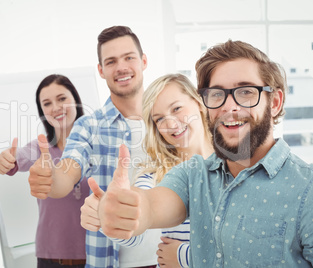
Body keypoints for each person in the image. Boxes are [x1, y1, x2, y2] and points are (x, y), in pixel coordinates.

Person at [97, 40, 313, 267]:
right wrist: (125, 209)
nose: (230, 107)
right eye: (217, 94)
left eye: (246, 92)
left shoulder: (308, 189)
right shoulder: (192, 174)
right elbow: (150, 206)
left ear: (275, 102)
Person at [28, 26, 160, 268]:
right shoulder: (88, 126)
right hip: (110, 261)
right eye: (111, 61)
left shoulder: (170, 121)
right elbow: (67, 174)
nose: (121, 67)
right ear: (101, 70)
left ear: (143, 61)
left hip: (169, 259)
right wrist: (51, 178)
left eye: (129, 57)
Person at [80, 73, 214, 267]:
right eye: (159, 119)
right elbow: (135, 233)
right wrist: (110, 214)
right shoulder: (154, 176)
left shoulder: (234, 165)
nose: (170, 125)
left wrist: (184, 257)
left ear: (199, 103)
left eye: (176, 108)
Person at [0, 74, 89, 268]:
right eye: (47, 103)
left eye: (62, 99)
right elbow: (20, 156)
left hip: (97, 256)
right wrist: (8, 160)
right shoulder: (41, 148)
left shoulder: (98, 144)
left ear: (76, 101)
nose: (55, 108)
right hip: (51, 259)